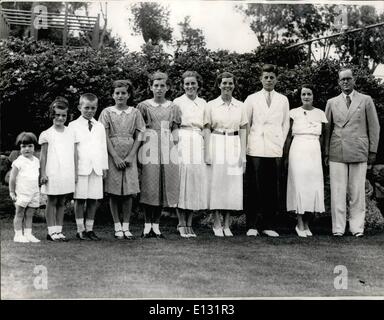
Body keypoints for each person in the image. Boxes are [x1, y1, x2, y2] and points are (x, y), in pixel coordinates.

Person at [325, 68, 380, 237]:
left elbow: (374, 126)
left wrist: (372, 150)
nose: (346, 82)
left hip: (358, 149)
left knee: (357, 192)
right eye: (342, 79)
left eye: (348, 79)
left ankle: (357, 228)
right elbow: (327, 129)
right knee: (338, 191)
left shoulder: (366, 100)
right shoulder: (331, 102)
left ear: (354, 80)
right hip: (337, 150)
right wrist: (326, 152)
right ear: (338, 82)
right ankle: (338, 229)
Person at [244, 64, 290, 237]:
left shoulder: (283, 100)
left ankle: (268, 225)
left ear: (276, 79)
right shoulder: (252, 98)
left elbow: (285, 124)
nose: (269, 80)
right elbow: (246, 123)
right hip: (255, 147)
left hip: (274, 147)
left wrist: (280, 142)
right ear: (261, 79)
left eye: (272, 77)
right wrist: (247, 144)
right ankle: (252, 225)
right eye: (266, 77)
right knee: (254, 186)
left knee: (271, 187)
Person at [99, 80, 145, 240]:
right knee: (114, 192)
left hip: (129, 153)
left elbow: (140, 134)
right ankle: (117, 226)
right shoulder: (106, 112)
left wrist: (132, 155)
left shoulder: (135, 112)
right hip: (113, 153)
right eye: (117, 93)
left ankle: (126, 226)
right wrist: (115, 156)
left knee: (128, 193)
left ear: (129, 95)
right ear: (113, 95)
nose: (120, 96)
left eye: (123, 93)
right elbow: (103, 136)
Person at [137, 72, 181, 238]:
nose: (159, 89)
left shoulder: (173, 107)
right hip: (149, 147)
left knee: (163, 185)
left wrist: (174, 146)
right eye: (156, 85)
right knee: (150, 186)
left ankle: (156, 225)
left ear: (167, 87)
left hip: (167, 148)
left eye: (162, 85)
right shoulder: (143, 106)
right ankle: (147, 225)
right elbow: (140, 130)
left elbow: (175, 128)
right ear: (151, 87)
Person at [205, 71, 247, 237]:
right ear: (219, 85)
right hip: (217, 142)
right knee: (217, 183)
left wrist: (243, 155)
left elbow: (244, 129)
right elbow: (207, 128)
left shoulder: (241, 106)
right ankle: (216, 222)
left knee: (232, 185)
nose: (227, 86)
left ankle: (227, 224)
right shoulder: (211, 105)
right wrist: (207, 152)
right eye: (224, 83)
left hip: (234, 143)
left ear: (234, 85)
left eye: (230, 83)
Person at [286, 85, 327, 237]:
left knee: (312, 186)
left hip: (314, 151)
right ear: (300, 96)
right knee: (299, 186)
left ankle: (307, 223)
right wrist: (285, 156)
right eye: (304, 94)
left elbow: (322, 137)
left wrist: (322, 155)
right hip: (298, 150)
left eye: (309, 94)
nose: (306, 96)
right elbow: (289, 135)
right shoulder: (293, 113)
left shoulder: (320, 113)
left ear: (313, 96)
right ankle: (299, 223)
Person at [173, 71, 209, 238]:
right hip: (182, 140)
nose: (190, 86)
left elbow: (207, 126)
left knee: (194, 183)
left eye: (193, 83)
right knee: (182, 181)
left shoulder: (203, 103)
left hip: (197, 141)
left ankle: (189, 223)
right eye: (187, 83)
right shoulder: (177, 102)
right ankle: (181, 223)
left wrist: (205, 147)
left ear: (198, 85)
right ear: (183, 85)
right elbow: (173, 126)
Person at [68, 93, 108, 241]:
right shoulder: (73, 126)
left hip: (96, 168)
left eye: (93, 108)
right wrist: (73, 170)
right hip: (81, 168)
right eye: (86, 108)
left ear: (97, 108)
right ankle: (80, 230)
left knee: (93, 199)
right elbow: (72, 149)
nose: (90, 111)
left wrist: (104, 168)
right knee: (80, 199)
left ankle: (90, 229)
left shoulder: (99, 126)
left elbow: (103, 148)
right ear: (79, 107)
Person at [39, 97, 76, 241]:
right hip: (52, 171)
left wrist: (74, 173)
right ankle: (51, 231)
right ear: (52, 115)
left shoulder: (70, 132)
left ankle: (59, 230)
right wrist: (43, 173)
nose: (60, 118)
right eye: (57, 115)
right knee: (52, 200)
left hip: (66, 171)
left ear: (67, 116)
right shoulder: (47, 134)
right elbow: (43, 156)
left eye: (63, 115)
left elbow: (73, 153)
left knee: (62, 201)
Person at [9, 132, 40, 243]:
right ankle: (18, 235)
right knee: (20, 213)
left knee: (30, 213)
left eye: (30, 146)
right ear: (20, 148)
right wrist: (12, 192)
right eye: (23, 146)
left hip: (34, 192)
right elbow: (12, 179)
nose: (27, 149)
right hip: (22, 192)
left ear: (34, 147)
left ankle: (28, 234)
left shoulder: (36, 161)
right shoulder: (18, 162)